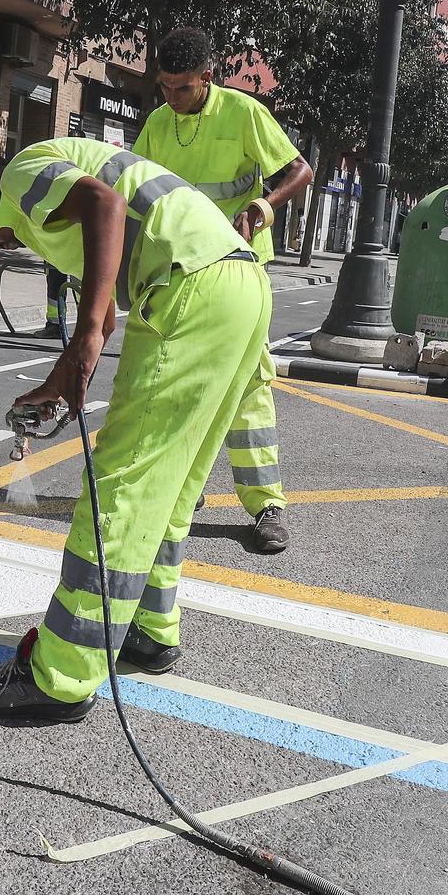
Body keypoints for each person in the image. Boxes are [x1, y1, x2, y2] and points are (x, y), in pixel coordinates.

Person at [0, 140, 272, 722]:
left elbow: (106, 206)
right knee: (170, 485)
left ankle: (61, 677)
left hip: (187, 289)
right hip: (239, 286)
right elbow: (106, 302)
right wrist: (58, 380)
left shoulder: (23, 174)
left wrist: (87, 334)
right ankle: (150, 626)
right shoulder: (52, 203)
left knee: (119, 490)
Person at [132, 28, 313, 554]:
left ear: (207, 79)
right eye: (163, 87)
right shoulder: (157, 124)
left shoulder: (242, 112)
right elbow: (136, 188)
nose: (170, 98)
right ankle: (185, 491)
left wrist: (266, 204)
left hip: (238, 271)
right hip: (181, 271)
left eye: (180, 88)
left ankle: (266, 505)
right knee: (178, 384)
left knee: (248, 386)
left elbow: (301, 169)